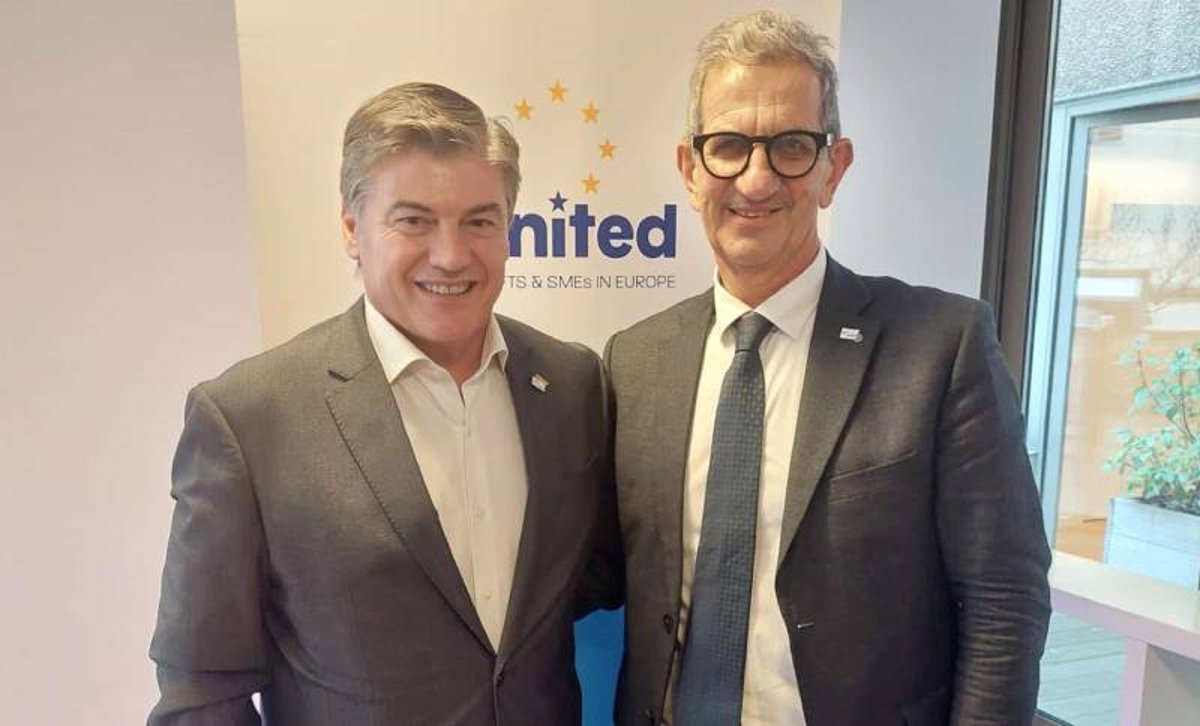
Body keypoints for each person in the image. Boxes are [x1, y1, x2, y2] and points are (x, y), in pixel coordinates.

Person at [600, 11, 1052, 725]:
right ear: (690, 170)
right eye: (728, 146)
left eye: (790, 146)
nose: (755, 180)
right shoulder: (636, 360)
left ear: (832, 169)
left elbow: (1005, 598)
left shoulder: (943, 346)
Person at [148, 82, 609, 725]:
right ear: (351, 228)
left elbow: (588, 580)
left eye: (479, 220)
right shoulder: (249, 420)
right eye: (413, 220)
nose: (451, 255)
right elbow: (200, 694)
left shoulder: (572, 385)